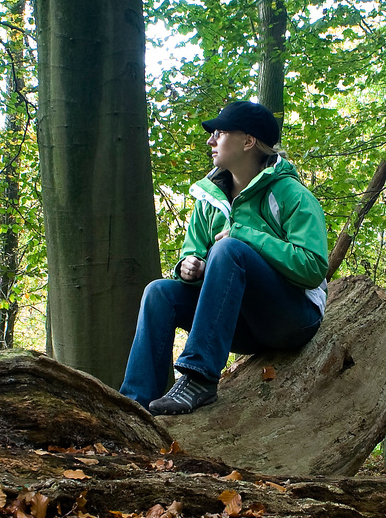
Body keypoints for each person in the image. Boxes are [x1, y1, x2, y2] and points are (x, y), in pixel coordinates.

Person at [120, 101, 329, 415]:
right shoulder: (209, 201)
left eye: (219, 133)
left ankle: (199, 377)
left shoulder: (291, 194)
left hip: (293, 320)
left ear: (247, 141)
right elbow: (193, 251)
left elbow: (313, 267)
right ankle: (135, 404)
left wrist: (245, 235)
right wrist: (188, 266)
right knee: (158, 292)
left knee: (229, 249)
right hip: (240, 326)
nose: (210, 140)